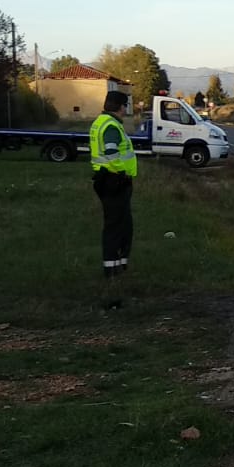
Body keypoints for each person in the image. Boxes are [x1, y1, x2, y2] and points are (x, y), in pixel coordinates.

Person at [89, 90, 138, 306]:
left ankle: (119, 266)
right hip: (113, 182)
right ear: (119, 106)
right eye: (125, 105)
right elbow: (111, 153)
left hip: (107, 181)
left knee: (123, 225)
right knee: (115, 227)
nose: (126, 109)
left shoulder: (102, 122)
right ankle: (112, 271)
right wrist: (121, 172)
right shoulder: (111, 126)